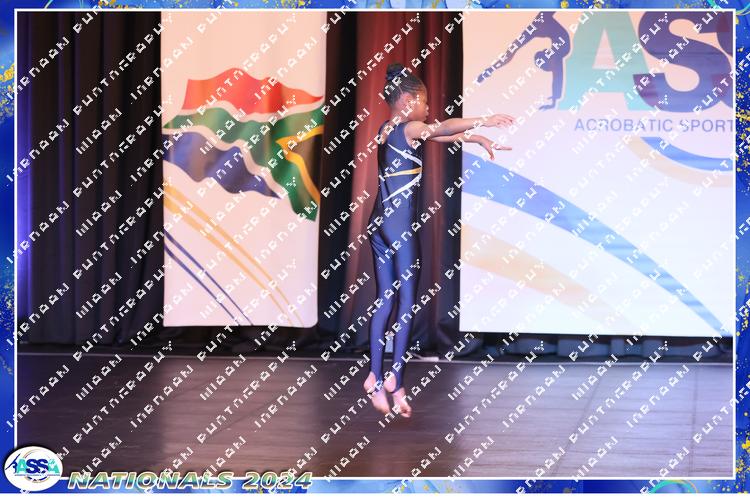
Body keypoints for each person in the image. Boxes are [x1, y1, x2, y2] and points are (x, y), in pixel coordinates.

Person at [363, 62, 514, 417]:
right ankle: (396, 379)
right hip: (399, 228)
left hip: (378, 225)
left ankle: (373, 375)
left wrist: (474, 138)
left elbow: (440, 135)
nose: (429, 109)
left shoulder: (387, 128)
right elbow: (442, 127)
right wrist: (484, 120)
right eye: (425, 102)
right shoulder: (412, 126)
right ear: (408, 101)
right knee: (406, 303)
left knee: (385, 300)